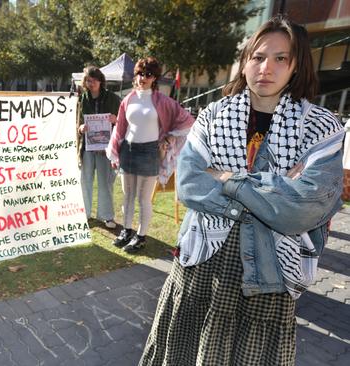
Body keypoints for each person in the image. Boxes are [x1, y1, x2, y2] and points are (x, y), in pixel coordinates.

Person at [139, 16, 344, 365]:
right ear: (245, 61)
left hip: (270, 274)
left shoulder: (320, 127)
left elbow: (302, 210)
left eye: (281, 58)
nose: (266, 67)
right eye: (258, 56)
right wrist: (276, 189)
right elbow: (189, 184)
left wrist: (226, 179)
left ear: (296, 67)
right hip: (202, 264)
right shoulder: (214, 115)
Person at [106, 57, 194, 253]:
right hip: (127, 151)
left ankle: (141, 236)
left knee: (143, 199)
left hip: (149, 153)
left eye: (148, 74)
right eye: (140, 73)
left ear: (155, 78)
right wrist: (115, 153)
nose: (142, 78)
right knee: (127, 196)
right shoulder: (128, 99)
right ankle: (126, 231)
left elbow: (187, 121)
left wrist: (168, 138)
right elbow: (120, 128)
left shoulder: (163, 101)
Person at [76, 66, 120, 228]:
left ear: (100, 81)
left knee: (105, 182)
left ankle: (106, 216)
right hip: (87, 147)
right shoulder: (82, 99)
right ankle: (85, 213)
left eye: (94, 80)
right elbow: (77, 122)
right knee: (85, 180)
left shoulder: (113, 99)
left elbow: (123, 122)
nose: (91, 82)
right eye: (88, 80)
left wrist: (115, 120)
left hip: (105, 149)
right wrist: (81, 128)